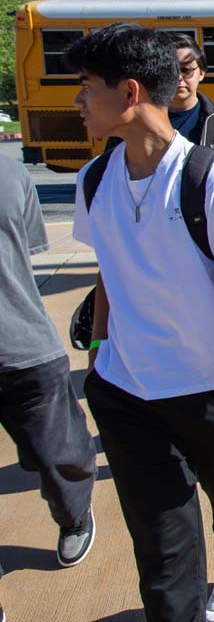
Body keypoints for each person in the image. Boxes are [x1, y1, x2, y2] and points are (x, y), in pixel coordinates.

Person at [69, 23, 214, 621]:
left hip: (209, 389)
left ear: (129, 93)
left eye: (85, 86)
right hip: (125, 392)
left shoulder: (211, 180)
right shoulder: (94, 178)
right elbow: (109, 271)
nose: (77, 101)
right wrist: (100, 354)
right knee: (161, 546)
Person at [107, 33, 214, 314]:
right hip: (158, 264)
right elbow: (114, 187)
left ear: (202, 73)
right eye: (170, 72)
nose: (179, 79)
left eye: (187, 70)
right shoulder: (131, 129)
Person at [0, 155, 97, 578]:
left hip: (20, 343)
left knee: (56, 455)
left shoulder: (8, 172)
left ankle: (74, 515)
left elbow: (23, 249)